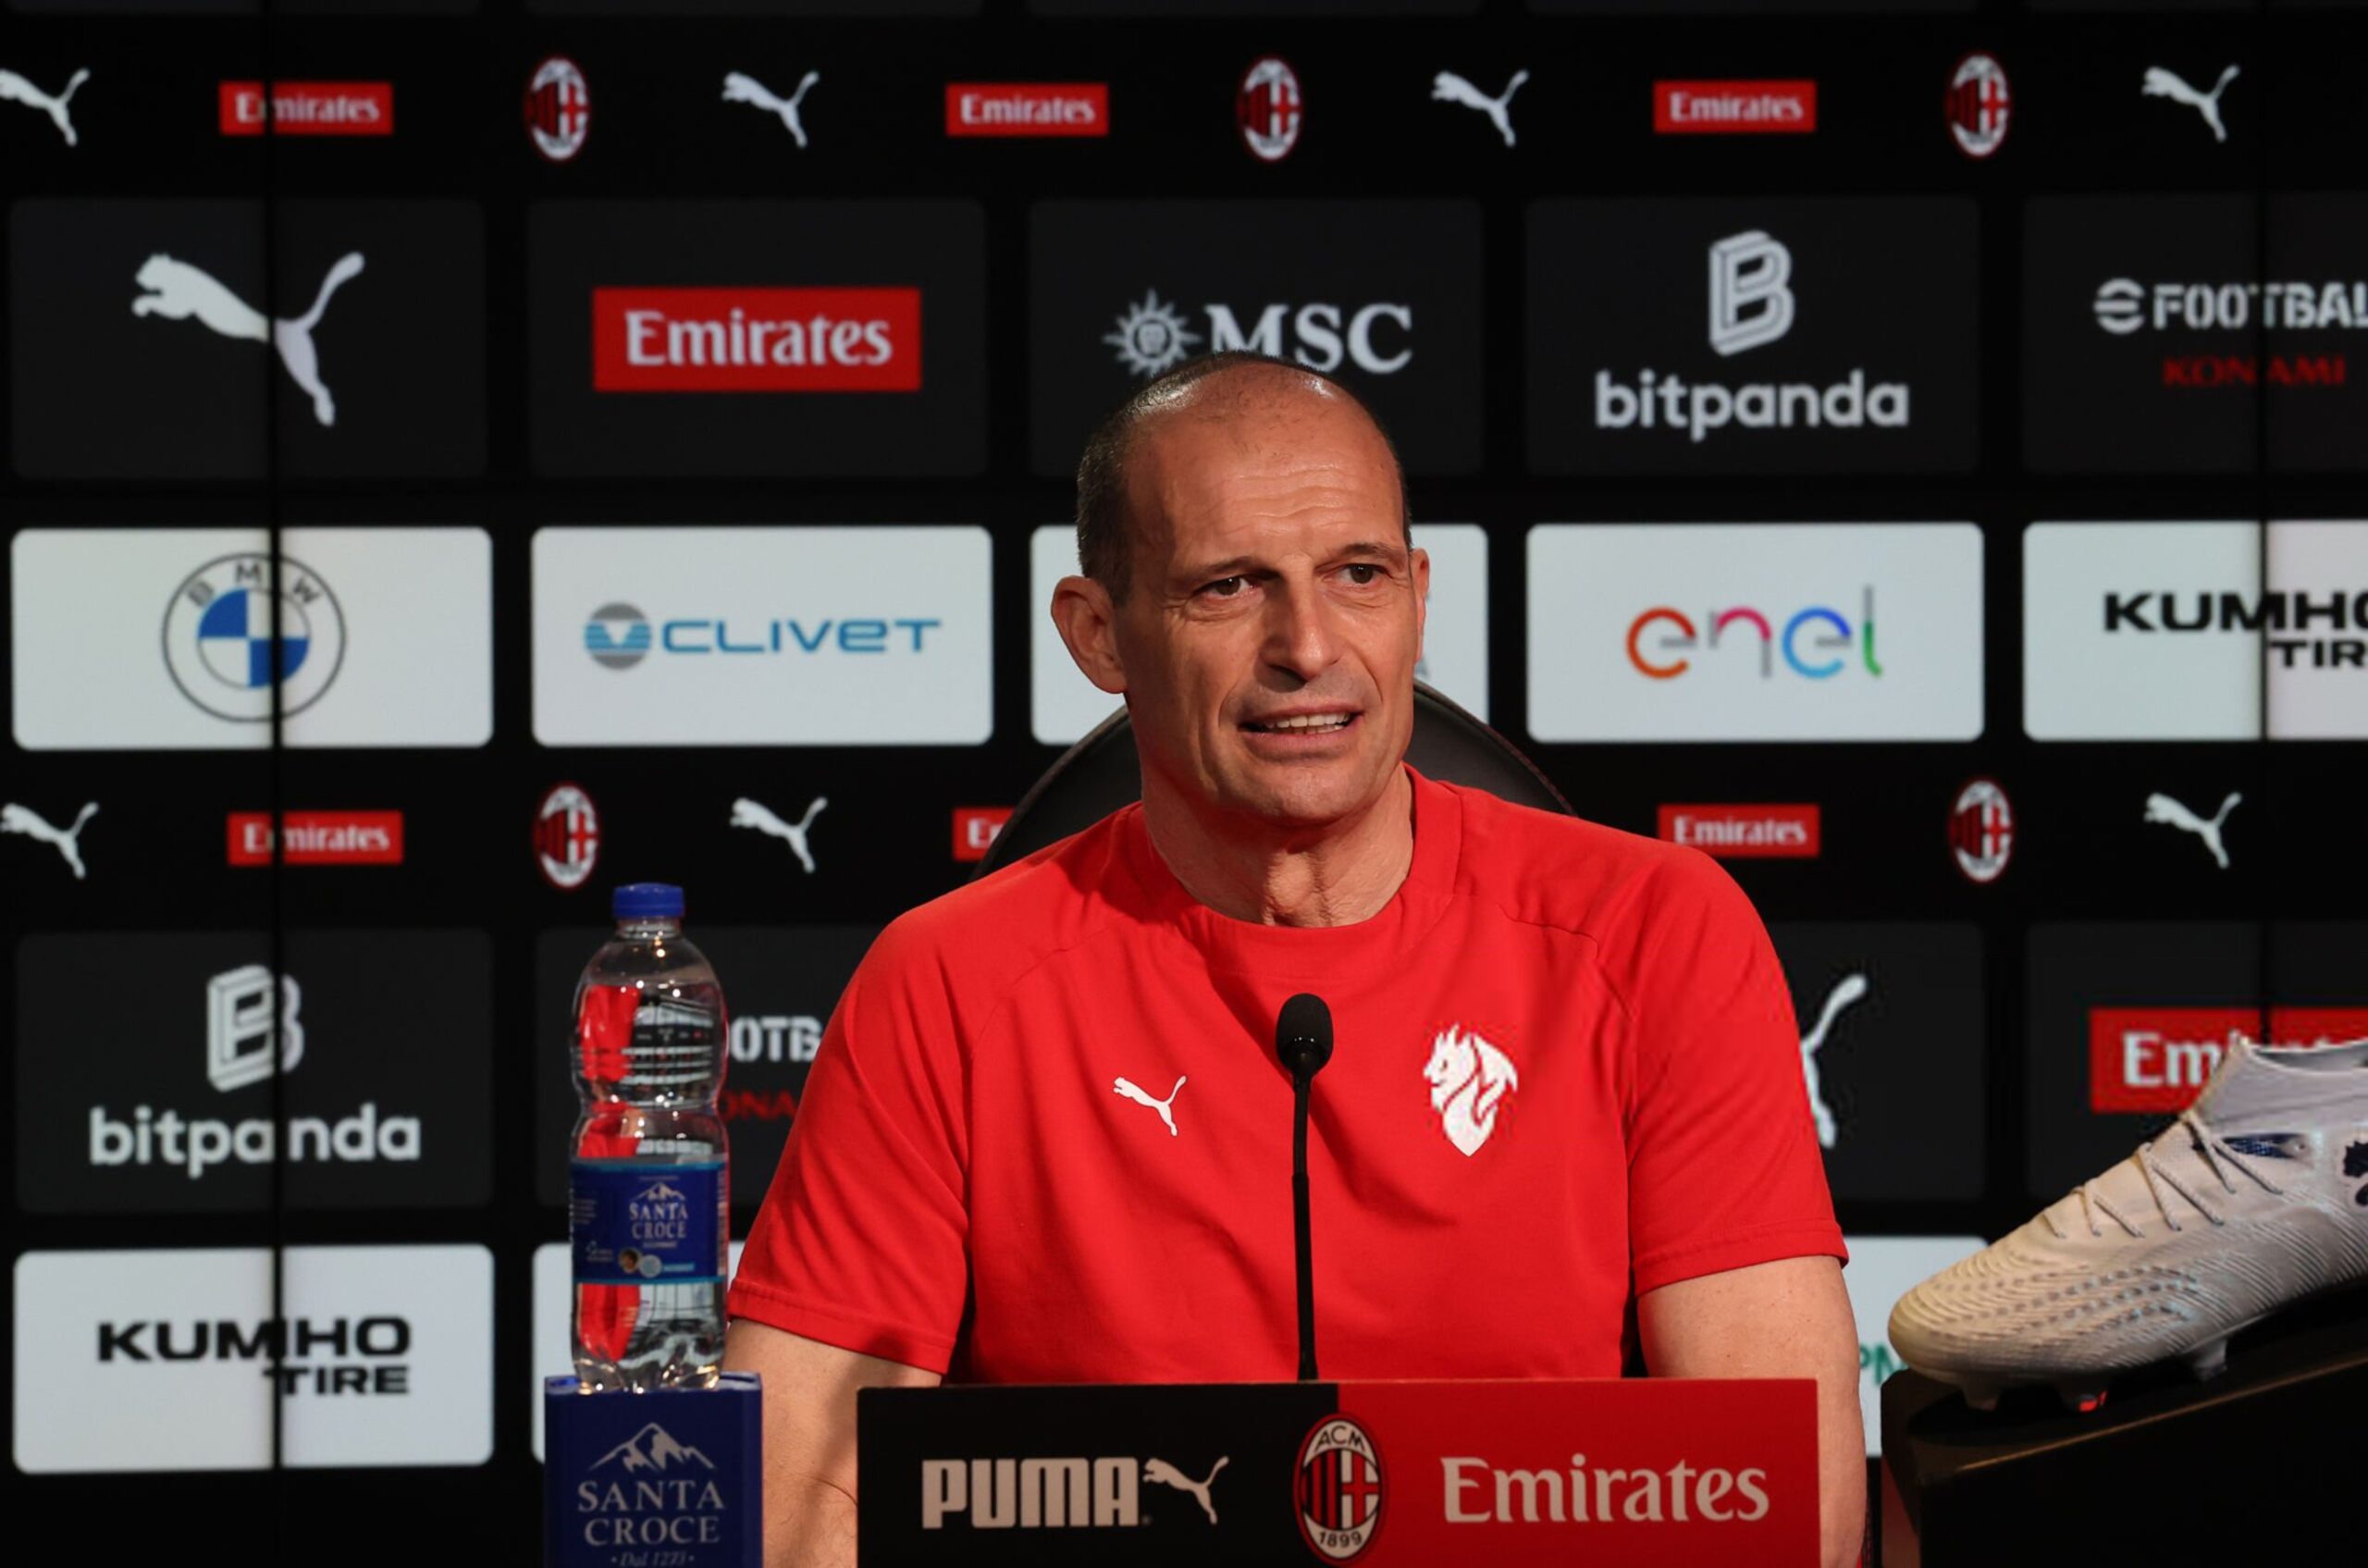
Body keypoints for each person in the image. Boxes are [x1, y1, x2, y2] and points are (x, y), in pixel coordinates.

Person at [722, 352, 1865, 1567]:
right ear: (1100, 635)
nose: (1309, 646)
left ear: (1418, 597)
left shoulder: (1656, 934)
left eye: (1359, 575)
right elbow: (796, 1497)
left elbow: (1782, 1498)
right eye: (1228, 587)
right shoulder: (948, 984)